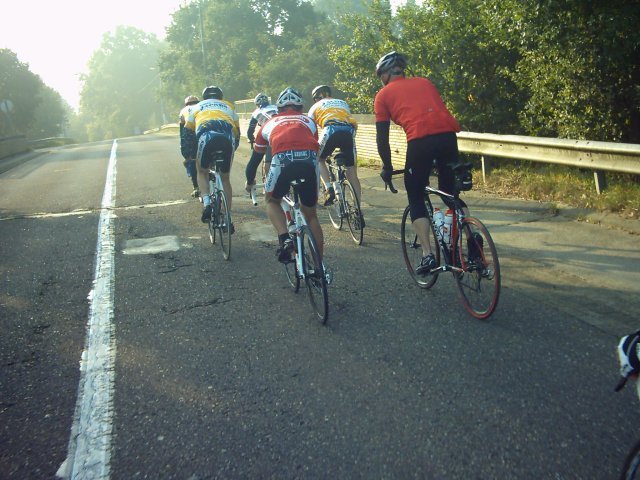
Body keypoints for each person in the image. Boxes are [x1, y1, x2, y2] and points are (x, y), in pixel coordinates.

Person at [374, 51, 462, 276]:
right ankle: (472, 239)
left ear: (385, 74)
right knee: (449, 193)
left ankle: (428, 255)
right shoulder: (425, 82)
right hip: (448, 136)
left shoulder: (383, 95)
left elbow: (382, 138)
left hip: (420, 141)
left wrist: (387, 166)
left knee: (415, 195)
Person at [245, 86, 324, 264]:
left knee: (272, 201)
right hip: (309, 161)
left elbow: (254, 161)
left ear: (278, 109)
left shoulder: (267, 124)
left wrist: (250, 180)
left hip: (282, 161)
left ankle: (284, 239)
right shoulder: (308, 121)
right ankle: (319, 267)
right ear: (301, 108)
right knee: (311, 214)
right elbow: (314, 146)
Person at [184, 85, 240, 228]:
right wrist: (232, 150)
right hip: (227, 138)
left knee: (202, 171)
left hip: (206, 136)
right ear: (220, 96)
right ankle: (228, 217)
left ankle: (207, 203)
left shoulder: (196, 107)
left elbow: (188, 133)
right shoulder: (229, 106)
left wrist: (189, 154)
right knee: (225, 178)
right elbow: (237, 133)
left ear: (204, 97)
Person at [307, 85, 362, 219]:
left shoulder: (315, 107)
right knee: (351, 171)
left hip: (330, 130)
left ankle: (329, 188)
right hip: (349, 131)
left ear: (315, 98)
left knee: (318, 159)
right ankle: (358, 210)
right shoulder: (343, 102)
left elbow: (310, 128)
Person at [245, 93, 278, 182]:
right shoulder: (276, 107)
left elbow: (250, 130)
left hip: (271, 133)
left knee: (268, 161)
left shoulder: (256, 112)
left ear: (257, 104)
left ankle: (269, 184)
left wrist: (251, 138)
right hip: (284, 130)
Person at [179, 95, 201, 198]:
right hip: (205, 131)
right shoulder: (202, 106)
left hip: (191, 134)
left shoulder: (183, 110)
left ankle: (196, 187)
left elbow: (182, 130)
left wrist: (184, 150)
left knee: (191, 159)